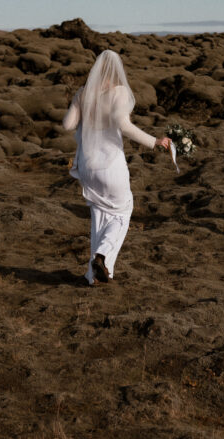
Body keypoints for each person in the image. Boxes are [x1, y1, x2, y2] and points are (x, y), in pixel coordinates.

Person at [62, 50, 171, 285]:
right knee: (122, 212)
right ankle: (102, 256)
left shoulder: (83, 93)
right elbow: (124, 125)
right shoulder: (119, 92)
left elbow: (67, 124)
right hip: (110, 165)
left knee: (99, 216)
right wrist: (155, 142)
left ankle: (94, 276)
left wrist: (77, 100)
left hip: (87, 167)